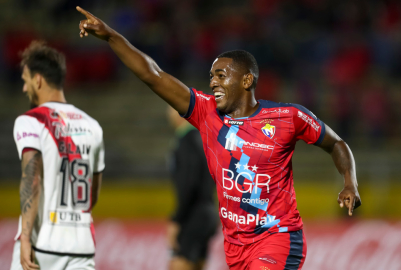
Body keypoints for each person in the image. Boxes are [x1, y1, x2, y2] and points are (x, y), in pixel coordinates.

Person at [76, 7, 361, 270]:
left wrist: (350, 182)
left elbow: (336, 143)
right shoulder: (206, 112)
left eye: (221, 75)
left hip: (279, 238)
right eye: (211, 76)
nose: (212, 82)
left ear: (246, 81)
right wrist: (111, 37)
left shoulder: (288, 117)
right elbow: (154, 75)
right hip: (236, 247)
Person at [10, 41, 105, 270]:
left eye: (26, 80)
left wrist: (25, 239)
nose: (24, 89)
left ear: (38, 79)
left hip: (42, 245)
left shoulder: (31, 121)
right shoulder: (93, 126)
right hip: (82, 249)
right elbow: (93, 194)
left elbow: (31, 179)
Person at [166, 106, 218, 270]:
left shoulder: (186, 142)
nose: (167, 113)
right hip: (208, 212)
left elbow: (188, 183)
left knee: (179, 264)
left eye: (171, 107)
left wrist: (177, 219)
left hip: (193, 216)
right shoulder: (203, 138)